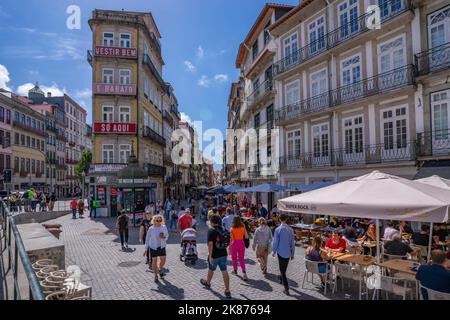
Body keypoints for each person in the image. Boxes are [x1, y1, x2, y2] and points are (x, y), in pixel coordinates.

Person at [200, 214, 231, 299]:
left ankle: (208, 283)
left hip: (214, 255)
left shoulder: (211, 231)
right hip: (223, 253)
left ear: (212, 222)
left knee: (211, 269)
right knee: (224, 271)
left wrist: (210, 256)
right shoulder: (223, 229)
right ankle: (227, 290)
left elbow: (210, 244)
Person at [272, 213, 295, 295]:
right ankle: (281, 278)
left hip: (280, 252)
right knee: (283, 269)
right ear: (286, 219)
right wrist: (292, 254)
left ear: (279, 219)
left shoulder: (278, 229)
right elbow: (292, 243)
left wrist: (273, 251)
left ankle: (286, 288)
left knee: (282, 271)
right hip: (288, 252)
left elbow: (275, 242)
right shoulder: (290, 229)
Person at [144, 214, 169, 283]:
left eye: (160, 220)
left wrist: (163, 237)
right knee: (154, 261)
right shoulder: (151, 228)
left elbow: (167, 235)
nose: (159, 222)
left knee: (163, 260)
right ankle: (155, 275)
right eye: (157, 220)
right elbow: (147, 239)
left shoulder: (164, 227)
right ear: (154, 220)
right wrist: (146, 248)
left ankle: (160, 268)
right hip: (153, 247)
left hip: (162, 246)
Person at [230, 215, 249, 281]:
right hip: (241, 243)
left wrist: (229, 248)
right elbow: (246, 236)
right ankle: (244, 273)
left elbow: (232, 239)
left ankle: (235, 270)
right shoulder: (243, 227)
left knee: (234, 258)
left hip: (234, 243)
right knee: (241, 259)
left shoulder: (232, 228)